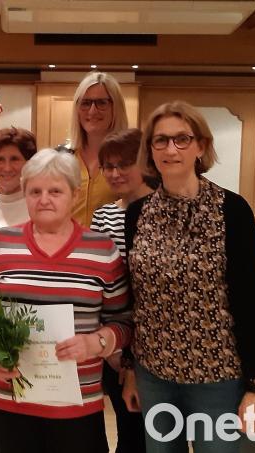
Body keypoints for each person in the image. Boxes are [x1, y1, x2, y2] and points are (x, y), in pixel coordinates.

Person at [121, 101, 255, 452]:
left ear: (201, 146)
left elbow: (252, 300)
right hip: (154, 372)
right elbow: (135, 298)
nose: (170, 149)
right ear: (150, 150)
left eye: (182, 139)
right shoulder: (138, 214)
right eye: (160, 141)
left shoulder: (231, 210)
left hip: (216, 374)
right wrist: (130, 368)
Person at [0, 149, 132, 453]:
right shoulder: (1, 244)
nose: (44, 199)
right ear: (25, 194)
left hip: (77, 405)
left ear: (74, 194)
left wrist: (96, 343)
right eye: (35, 191)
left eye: (55, 191)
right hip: (11, 401)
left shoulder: (102, 251)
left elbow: (124, 322)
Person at [89, 128, 155, 453]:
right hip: (117, 339)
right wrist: (112, 347)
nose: (114, 173)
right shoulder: (103, 215)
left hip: (158, 344)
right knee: (128, 431)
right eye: (108, 166)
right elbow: (96, 280)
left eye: (124, 164)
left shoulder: (162, 211)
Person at [68, 71, 129, 226]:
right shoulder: (62, 158)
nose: (92, 111)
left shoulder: (132, 160)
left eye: (101, 103)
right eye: (85, 103)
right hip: (67, 248)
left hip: (113, 249)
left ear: (116, 107)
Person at [0, 127, 37, 241]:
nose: (7, 168)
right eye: (0, 159)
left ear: (29, 165)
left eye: (15, 159)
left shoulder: (40, 205)